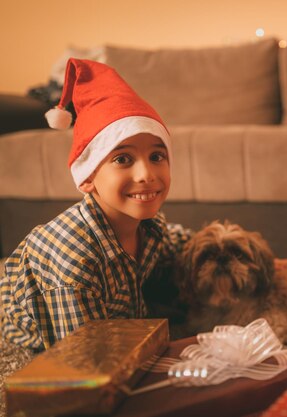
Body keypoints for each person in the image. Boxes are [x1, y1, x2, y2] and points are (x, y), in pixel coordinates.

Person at [0, 59, 192, 351]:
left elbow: (181, 241)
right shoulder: (73, 260)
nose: (147, 175)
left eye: (157, 156)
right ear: (88, 177)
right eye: (122, 159)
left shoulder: (150, 228)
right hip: (40, 338)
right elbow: (87, 357)